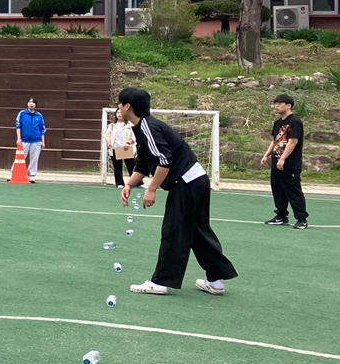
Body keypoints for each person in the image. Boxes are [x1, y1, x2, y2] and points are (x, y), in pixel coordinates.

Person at [118, 86, 237, 296]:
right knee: (197, 232)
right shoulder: (143, 128)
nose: (118, 108)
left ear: (127, 106)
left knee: (174, 231)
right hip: (196, 180)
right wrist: (129, 184)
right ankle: (215, 281)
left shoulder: (148, 127)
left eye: (119, 104)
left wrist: (151, 189)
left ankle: (160, 282)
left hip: (187, 182)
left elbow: (165, 161)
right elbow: (144, 163)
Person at [261, 94, 308, 229]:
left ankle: (301, 219)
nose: (276, 106)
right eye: (275, 104)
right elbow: (275, 141)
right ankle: (281, 216)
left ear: (288, 106)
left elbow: (293, 142)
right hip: (276, 163)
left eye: (279, 104)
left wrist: (283, 159)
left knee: (293, 192)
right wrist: (266, 155)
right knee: (278, 191)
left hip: (290, 164)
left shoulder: (295, 122)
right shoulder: (278, 123)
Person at [15, 98, 45, 183]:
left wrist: (43, 141)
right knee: (20, 157)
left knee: (34, 159)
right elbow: (18, 126)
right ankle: (14, 173)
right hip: (24, 139)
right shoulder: (22, 113)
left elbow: (42, 129)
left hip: (36, 140)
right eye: (30, 102)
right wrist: (18, 138)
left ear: (35, 105)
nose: (31, 104)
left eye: (33, 102)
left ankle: (31, 175)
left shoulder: (39, 116)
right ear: (27, 103)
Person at [108, 107, 136, 187]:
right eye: (117, 113)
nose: (119, 114)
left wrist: (128, 142)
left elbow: (134, 136)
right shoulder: (112, 126)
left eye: (121, 112)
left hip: (127, 148)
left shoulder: (130, 125)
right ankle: (119, 183)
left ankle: (136, 182)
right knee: (117, 166)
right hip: (116, 148)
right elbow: (107, 135)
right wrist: (109, 142)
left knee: (132, 165)